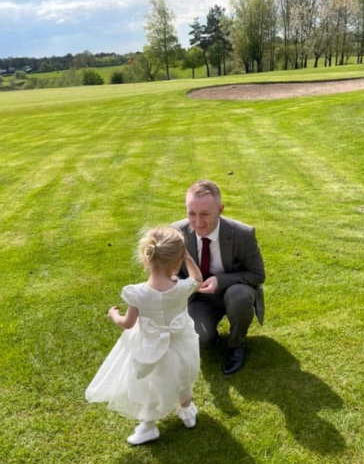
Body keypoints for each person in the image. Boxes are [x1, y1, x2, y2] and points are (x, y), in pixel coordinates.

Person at [85, 226, 203, 445]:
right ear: (178, 261)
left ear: (145, 258)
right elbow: (198, 279)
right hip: (181, 344)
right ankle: (187, 412)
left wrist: (114, 315)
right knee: (183, 376)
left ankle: (148, 427)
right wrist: (188, 259)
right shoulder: (182, 287)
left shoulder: (137, 293)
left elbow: (128, 323)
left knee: (151, 385)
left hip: (151, 349)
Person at [173, 180, 265, 376]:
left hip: (234, 291)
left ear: (220, 209)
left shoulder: (243, 234)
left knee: (239, 295)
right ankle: (210, 336)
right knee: (199, 339)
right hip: (199, 297)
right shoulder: (176, 232)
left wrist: (220, 281)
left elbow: (257, 275)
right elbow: (169, 275)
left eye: (205, 214)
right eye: (191, 213)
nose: (198, 223)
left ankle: (236, 344)